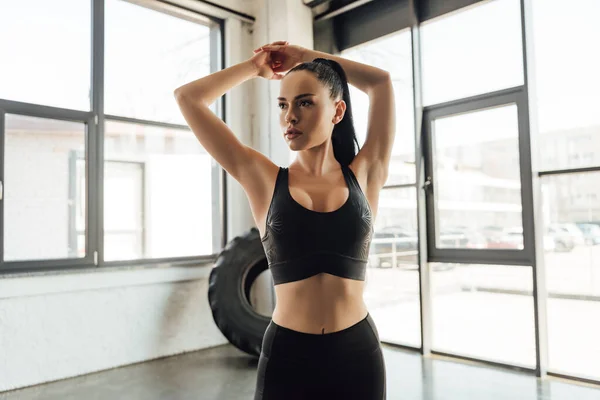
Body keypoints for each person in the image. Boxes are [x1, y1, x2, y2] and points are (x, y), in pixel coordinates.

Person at [174, 40, 395, 400]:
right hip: (287, 356)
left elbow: (381, 83)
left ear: (337, 111)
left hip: (357, 353)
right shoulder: (262, 178)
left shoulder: (367, 173)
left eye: (305, 102)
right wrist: (253, 67)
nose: (289, 116)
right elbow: (188, 98)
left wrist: (307, 58)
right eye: (282, 104)